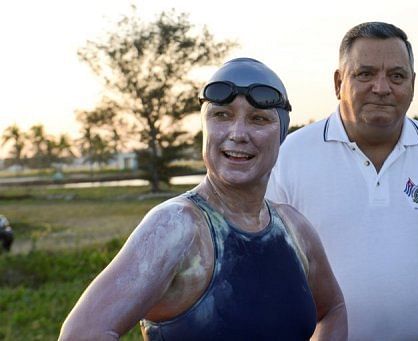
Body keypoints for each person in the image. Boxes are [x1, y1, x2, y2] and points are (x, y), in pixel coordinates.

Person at [59, 57, 347, 341]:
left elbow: (333, 309)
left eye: (258, 119)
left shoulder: (293, 229)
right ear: (205, 127)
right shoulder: (178, 226)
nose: (238, 134)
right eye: (222, 115)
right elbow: (82, 333)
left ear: (281, 134)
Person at [267, 22, 418, 340]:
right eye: (365, 74)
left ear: (412, 83)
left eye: (396, 76)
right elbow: (256, 258)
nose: (382, 88)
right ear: (339, 81)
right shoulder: (289, 157)